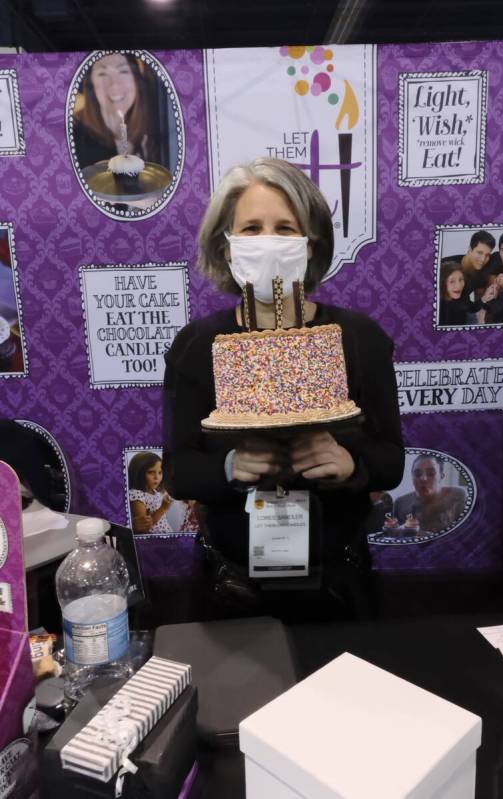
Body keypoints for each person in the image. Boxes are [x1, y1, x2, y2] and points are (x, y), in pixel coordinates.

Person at [163, 157, 405, 621]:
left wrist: (351, 463)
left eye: (285, 228)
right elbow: (178, 471)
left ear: (310, 243)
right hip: (232, 585)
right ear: (227, 245)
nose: (268, 242)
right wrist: (232, 464)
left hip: (339, 579)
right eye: (251, 228)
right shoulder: (197, 346)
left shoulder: (358, 338)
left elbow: (391, 460)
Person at [73, 53, 159, 171]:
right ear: (91, 85)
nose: (114, 84)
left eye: (123, 71)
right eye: (102, 73)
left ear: (136, 80)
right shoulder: (75, 141)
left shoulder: (156, 134)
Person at [393, 454, 466, 534]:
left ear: (441, 476)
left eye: (431, 474)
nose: (423, 479)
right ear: (412, 476)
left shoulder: (457, 497)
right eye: (417, 474)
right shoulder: (401, 503)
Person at [128, 451, 174, 534]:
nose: (157, 477)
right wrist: (163, 508)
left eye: (160, 472)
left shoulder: (155, 492)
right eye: (150, 472)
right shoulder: (136, 495)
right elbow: (144, 527)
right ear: (138, 472)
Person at [438, 262, 496, 326]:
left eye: (461, 280)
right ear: (442, 284)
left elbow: (472, 308)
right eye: (452, 281)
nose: (459, 286)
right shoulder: (438, 308)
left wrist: (485, 298)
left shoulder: (462, 294)